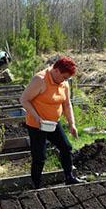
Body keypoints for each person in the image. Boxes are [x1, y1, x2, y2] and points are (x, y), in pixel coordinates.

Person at [20, 56, 83, 188]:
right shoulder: (40, 80)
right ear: (56, 71)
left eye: (67, 79)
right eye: (64, 77)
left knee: (66, 147)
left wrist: (72, 124)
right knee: (40, 157)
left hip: (53, 123)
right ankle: (36, 184)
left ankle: (69, 177)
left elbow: (66, 104)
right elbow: (24, 99)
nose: (65, 81)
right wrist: (37, 117)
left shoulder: (64, 83)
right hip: (37, 125)